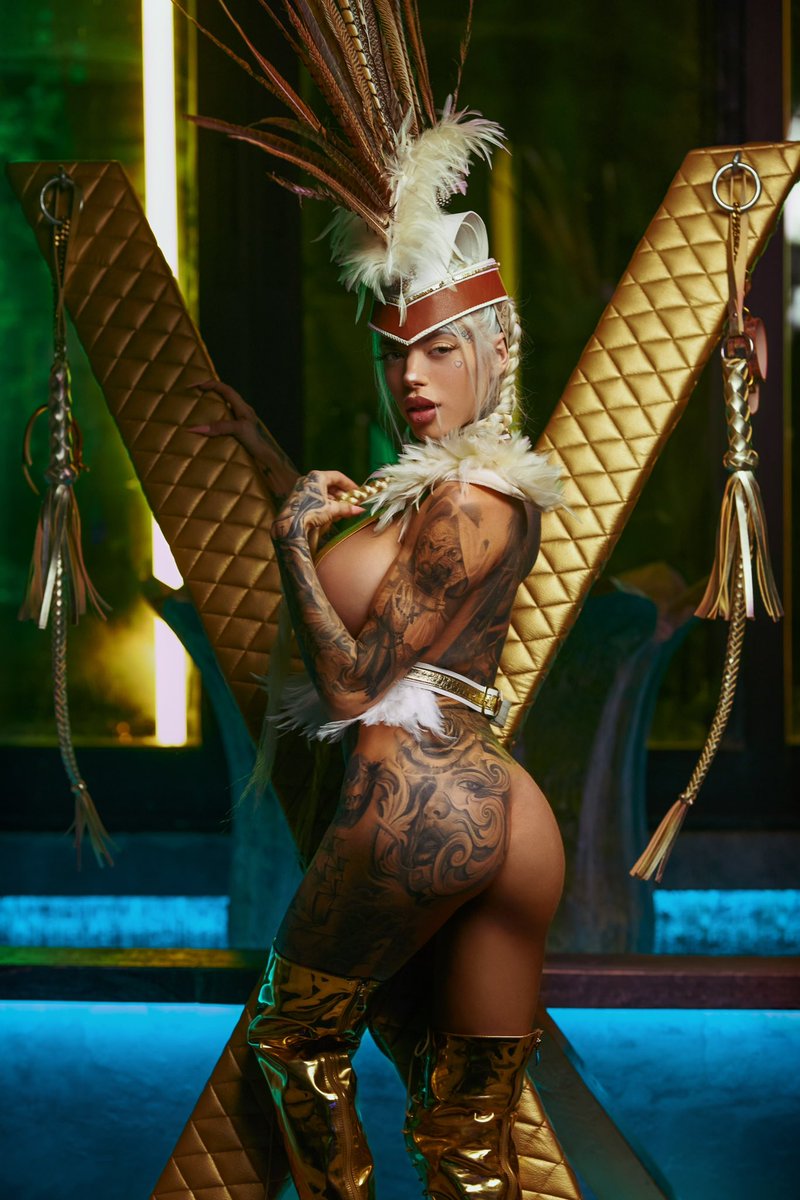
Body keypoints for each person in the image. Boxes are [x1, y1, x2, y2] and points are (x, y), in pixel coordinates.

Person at [183, 5, 582, 1196]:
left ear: (495, 347)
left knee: (292, 1041)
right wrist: (271, 464)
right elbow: (373, 576)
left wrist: (286, 542)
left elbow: (356, 683)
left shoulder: (466, 502)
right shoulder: (443, 492)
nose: (411, 374)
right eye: (394, 352)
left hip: (418, 803)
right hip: (491, 810)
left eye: (440, 349)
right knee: (462, 1127)